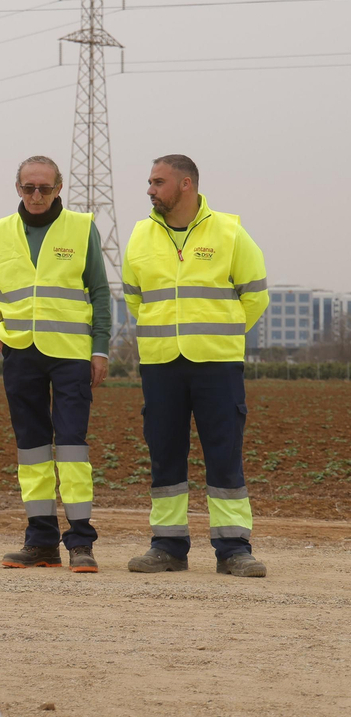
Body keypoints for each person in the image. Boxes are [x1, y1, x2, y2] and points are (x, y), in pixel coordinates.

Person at [121, 155, 270, 577]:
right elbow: (134, 297)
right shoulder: (139, 236)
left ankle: (234, 548)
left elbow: (255, 295)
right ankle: (167, 547)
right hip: (160, 365)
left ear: (186, 185)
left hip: (218, 364)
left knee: (224, 455)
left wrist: (223, 335)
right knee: (165, 454)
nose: (150, 189)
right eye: (149, 182)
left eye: (158, 181)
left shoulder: (230, 230)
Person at [0, 156, 111, 573]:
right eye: (29, 188)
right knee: (32, 449)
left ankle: (81, 543)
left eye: (45, 189)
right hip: (20, 353)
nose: (36, 196)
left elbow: (101, 292)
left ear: (59, 189)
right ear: (18, 188)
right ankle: (41, 542)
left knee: (71, 446)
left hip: (70, 353)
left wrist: (100, 348)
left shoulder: (82, 227)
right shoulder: (1, 231)